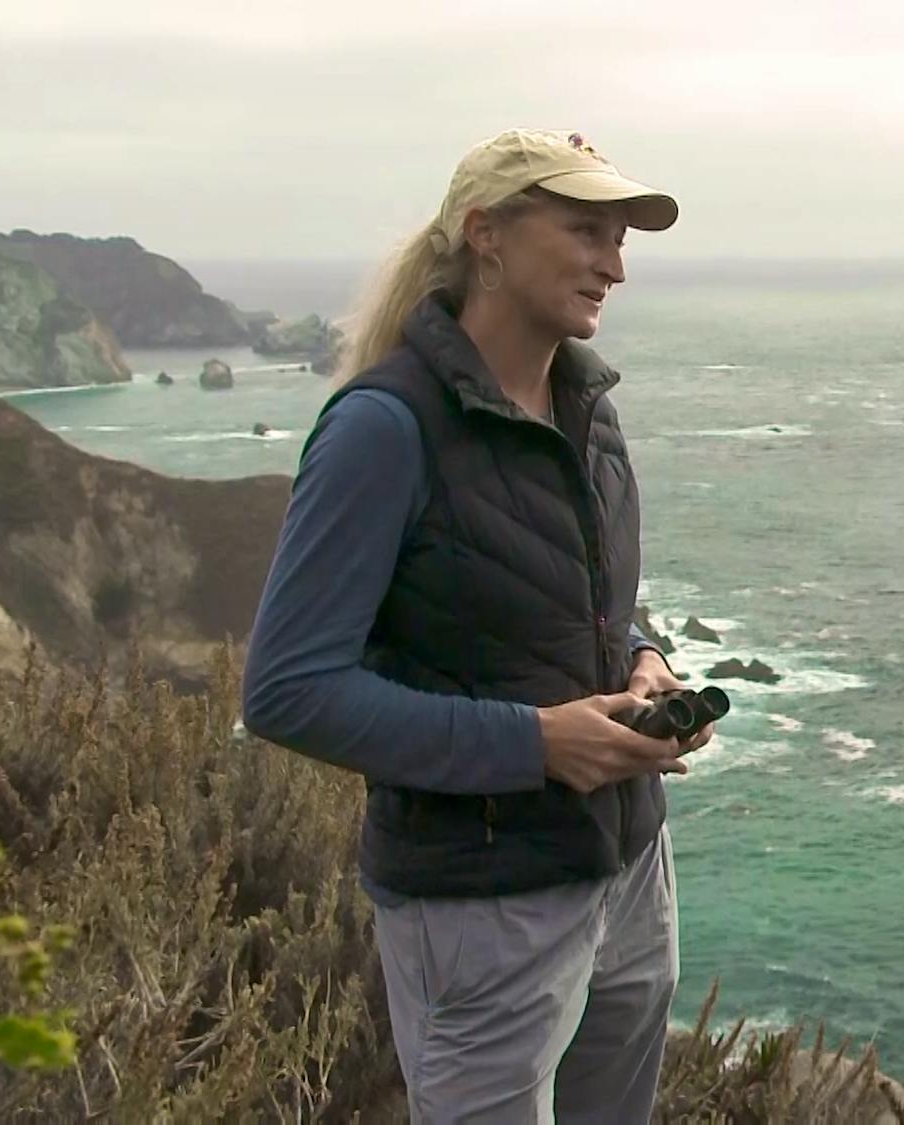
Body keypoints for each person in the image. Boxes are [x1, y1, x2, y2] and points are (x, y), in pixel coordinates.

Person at [241, 128, 707, 1123]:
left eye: (621, 238)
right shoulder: (384, 427)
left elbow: (590, 602)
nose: (614, 264)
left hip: (626, 869)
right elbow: (286, 690)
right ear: (485, 235)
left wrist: (642, 664)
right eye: (585, 231)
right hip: (479, 904)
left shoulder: (588, 406)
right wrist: (535, 744)